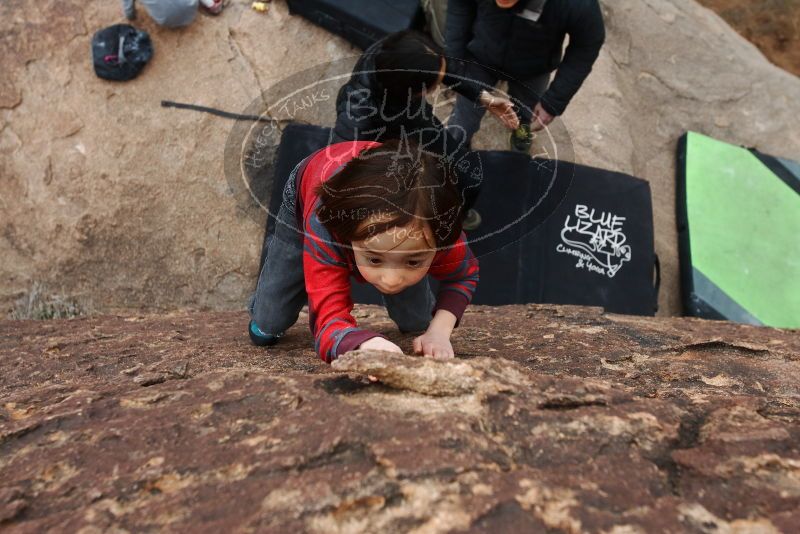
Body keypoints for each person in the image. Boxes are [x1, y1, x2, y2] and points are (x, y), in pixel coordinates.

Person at [248, 139, 480, 362]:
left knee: (417, 323)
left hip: (389, 185)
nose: (391, 281)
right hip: (311, 187)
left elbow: (463, 275)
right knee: (267, 325)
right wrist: (361, 343)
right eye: (375, 259)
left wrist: (439, 332)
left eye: (413, 262)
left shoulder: (436, 226)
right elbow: (328, 319)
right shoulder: (325, 228)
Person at [333, 30, 518, 229]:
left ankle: (457, 214)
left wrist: (483, 97)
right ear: (412, 88)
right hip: (386, 148)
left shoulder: (400, 51)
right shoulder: (359, 112)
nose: (438, 88)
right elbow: (341, 166)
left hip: (420, 124)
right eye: (434, 85)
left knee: (469, 180)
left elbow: (444, 69)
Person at [446, 0, 605, 152]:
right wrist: (455, 60)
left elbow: (587, 43)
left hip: (533, 69)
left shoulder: (577, 5)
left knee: (525, 113)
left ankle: (521, 133)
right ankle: (455, 149)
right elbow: (460, 5)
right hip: (481, 57)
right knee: (463, 118)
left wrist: (554, 102)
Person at [121, 0, 224, 28]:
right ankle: (212, 5)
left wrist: (132, 18)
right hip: (191, 7)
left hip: (165, 21)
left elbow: (129, 13)